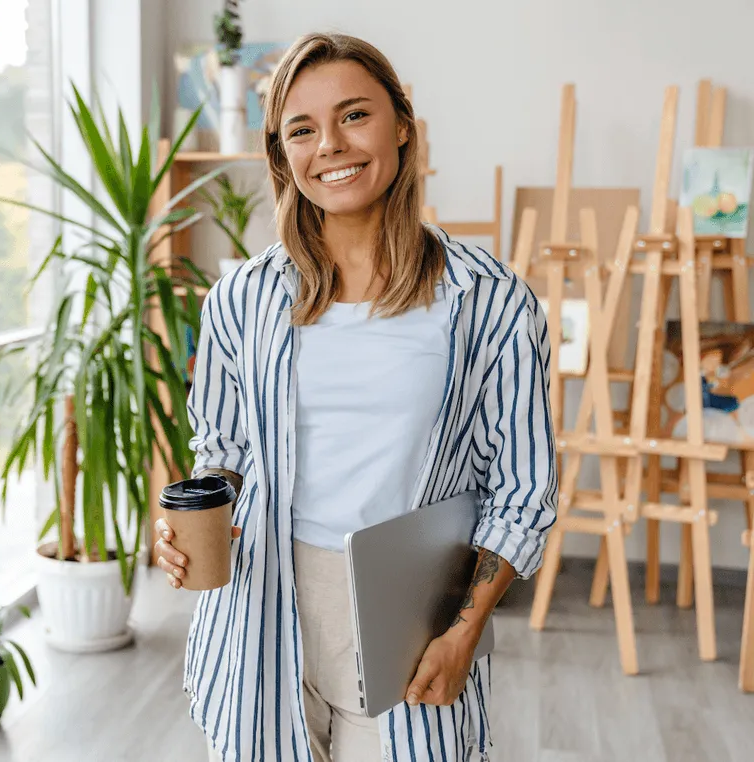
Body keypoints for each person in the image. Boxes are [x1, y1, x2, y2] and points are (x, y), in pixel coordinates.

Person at [154, 31, 557, 762]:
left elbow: (523, 491)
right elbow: (225, 454)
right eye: (301, 130)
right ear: (282, 157)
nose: (330, 145)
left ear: (403, 124)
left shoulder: (490, 301)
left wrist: (463, 631)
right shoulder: (241, 299)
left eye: (354, 116)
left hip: (408, 614)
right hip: (265, 608)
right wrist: (193, 528)